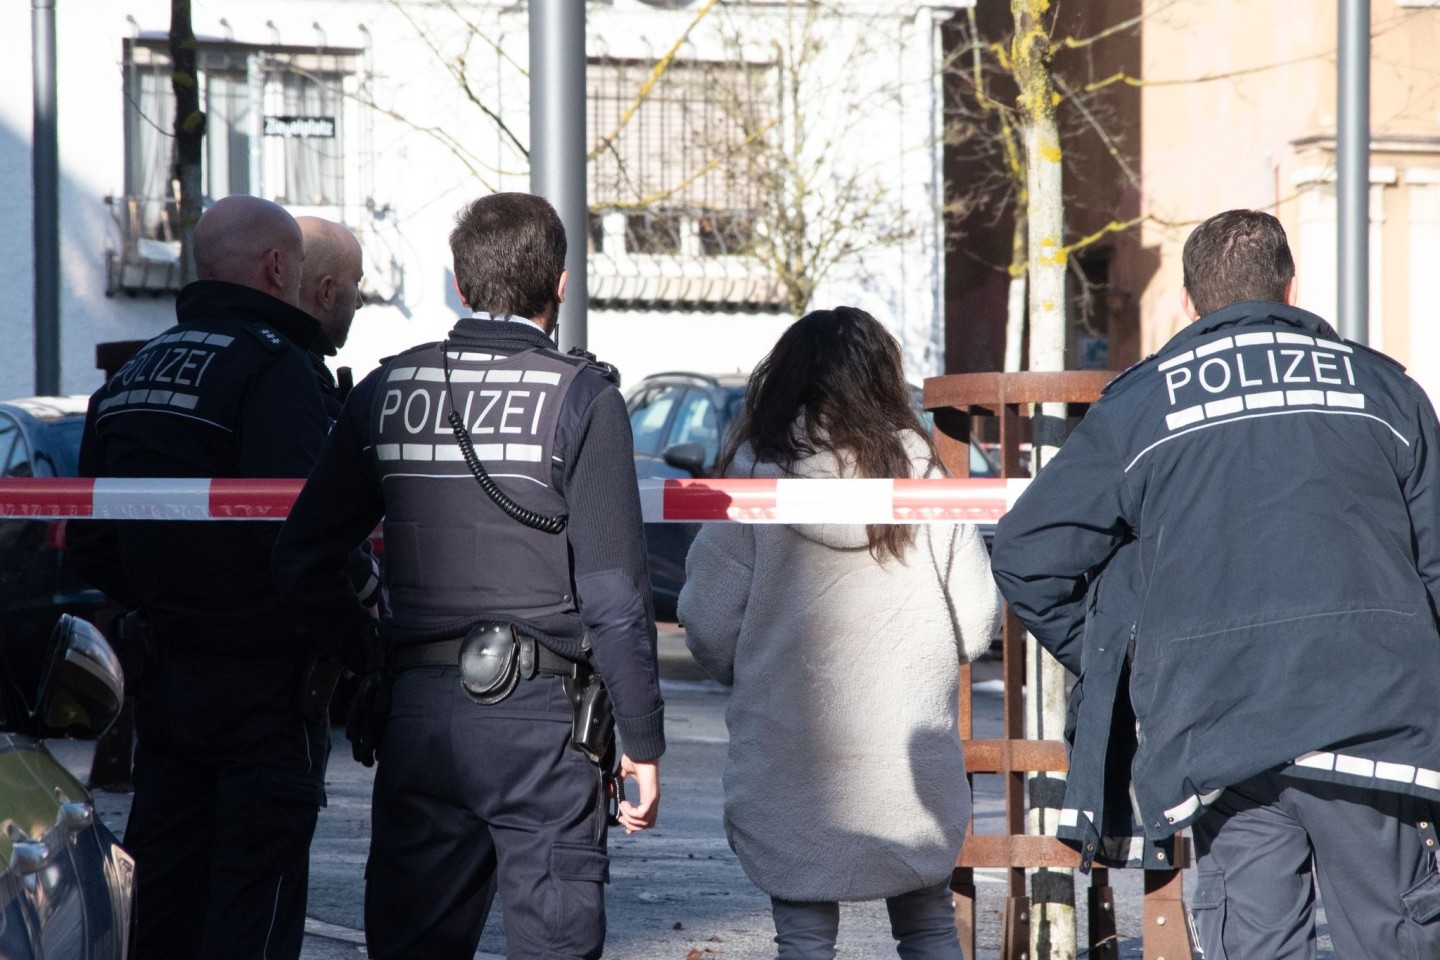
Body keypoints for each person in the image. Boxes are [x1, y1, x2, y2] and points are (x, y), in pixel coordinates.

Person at [989, 209, 1440, 959]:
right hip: (1373, 724)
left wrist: (1136, 665)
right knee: (1392, 939)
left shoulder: (1142, 406)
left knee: (1257, 944)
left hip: (1221, 734)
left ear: (1190, 305)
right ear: (1291, 287)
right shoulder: (1385, 393)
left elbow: (1030, 552)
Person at [271, 191, 664, 960]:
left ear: (458, 283)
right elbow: (615, 599)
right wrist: (642, 742)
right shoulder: (584, 398)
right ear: (560, 283)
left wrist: (375, 658)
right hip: (544, 731)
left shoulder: (385, 393)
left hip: (419, 719)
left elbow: (303, 559)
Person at [677, 306, 999, 960]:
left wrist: (750, 668)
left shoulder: (753, 474)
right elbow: (975, 622)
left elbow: (708, 621)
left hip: (790, 756)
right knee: (929, 924)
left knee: (802, 938)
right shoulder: (923, 476)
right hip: (907, 763)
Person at [67, 194, 334, 960]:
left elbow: (92, 544)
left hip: (168, 685)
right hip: (266, 692)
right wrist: (356, 638)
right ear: (278, 266)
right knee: (255, 910)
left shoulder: (133, 375)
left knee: (165, 905)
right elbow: (303, 536)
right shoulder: (277, 369)